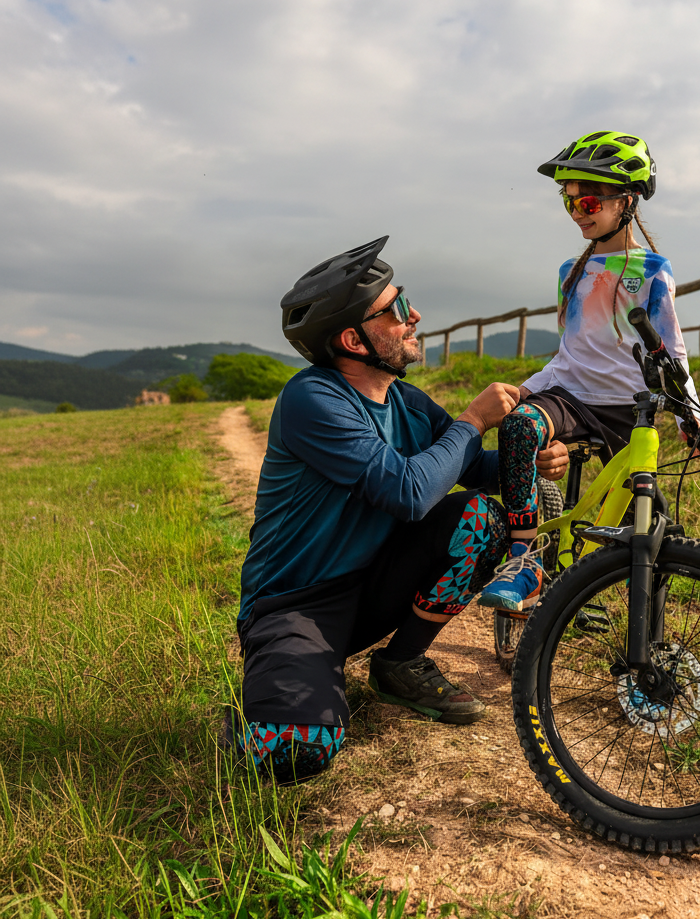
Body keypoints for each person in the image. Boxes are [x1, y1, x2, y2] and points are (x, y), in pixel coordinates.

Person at [227, 236, 566, 784]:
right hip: (296, 605)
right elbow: (408, 492)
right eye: (397, 310)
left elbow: (470, 469)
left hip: (377, 584)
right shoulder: (313, 399)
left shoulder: (406, 402)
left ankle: (399, 662)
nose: (416, 316)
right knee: (294, 754)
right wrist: (472, 420)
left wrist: (531, 456)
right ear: (351, 339)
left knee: (481, 517)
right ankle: (284, 692)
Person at [478, 130, 700, 612]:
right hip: (571, 398)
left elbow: (673, 349)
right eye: (569, 204)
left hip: (630, 410)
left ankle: (648, 635)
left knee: (651, 530)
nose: (579, 213)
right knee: (518, 427)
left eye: (587, 201)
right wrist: (526, 389)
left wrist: (693, 415)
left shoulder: (652, 271)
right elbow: (570, 353)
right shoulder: (571, 272)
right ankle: (524, 563)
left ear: (627, 200)